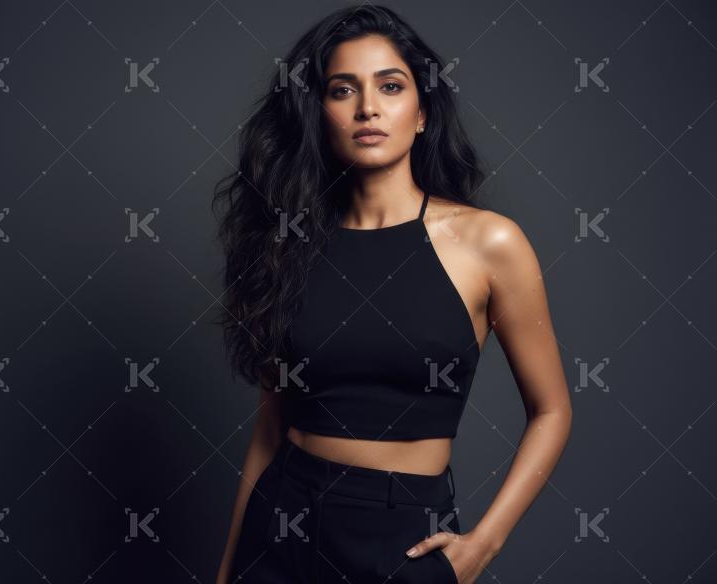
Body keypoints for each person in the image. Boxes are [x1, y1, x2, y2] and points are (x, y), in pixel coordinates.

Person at [213, 5, 572, 583]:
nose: (368, 108)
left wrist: (483, 544)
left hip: (401, 537)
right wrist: (228, 571)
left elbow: (552, 410)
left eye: (390, 85)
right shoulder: (290, 246)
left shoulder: (489, 243)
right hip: (281, 526)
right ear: (320, 114)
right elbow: (268, 430)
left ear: (422, 111)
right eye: (342, 89)